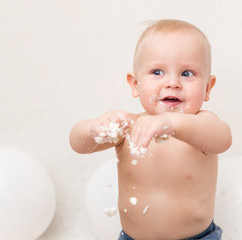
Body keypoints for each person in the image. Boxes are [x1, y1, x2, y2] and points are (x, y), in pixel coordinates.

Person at [70, 19, 232, 240]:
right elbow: (78, 145)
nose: (172, 83)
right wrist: (94, 129)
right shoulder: (128, 126)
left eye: (187, 73)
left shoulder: (201, 125)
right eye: (157, 72)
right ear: (135, 85)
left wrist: (172, 124)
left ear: (207, 87)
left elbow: (222, 138)